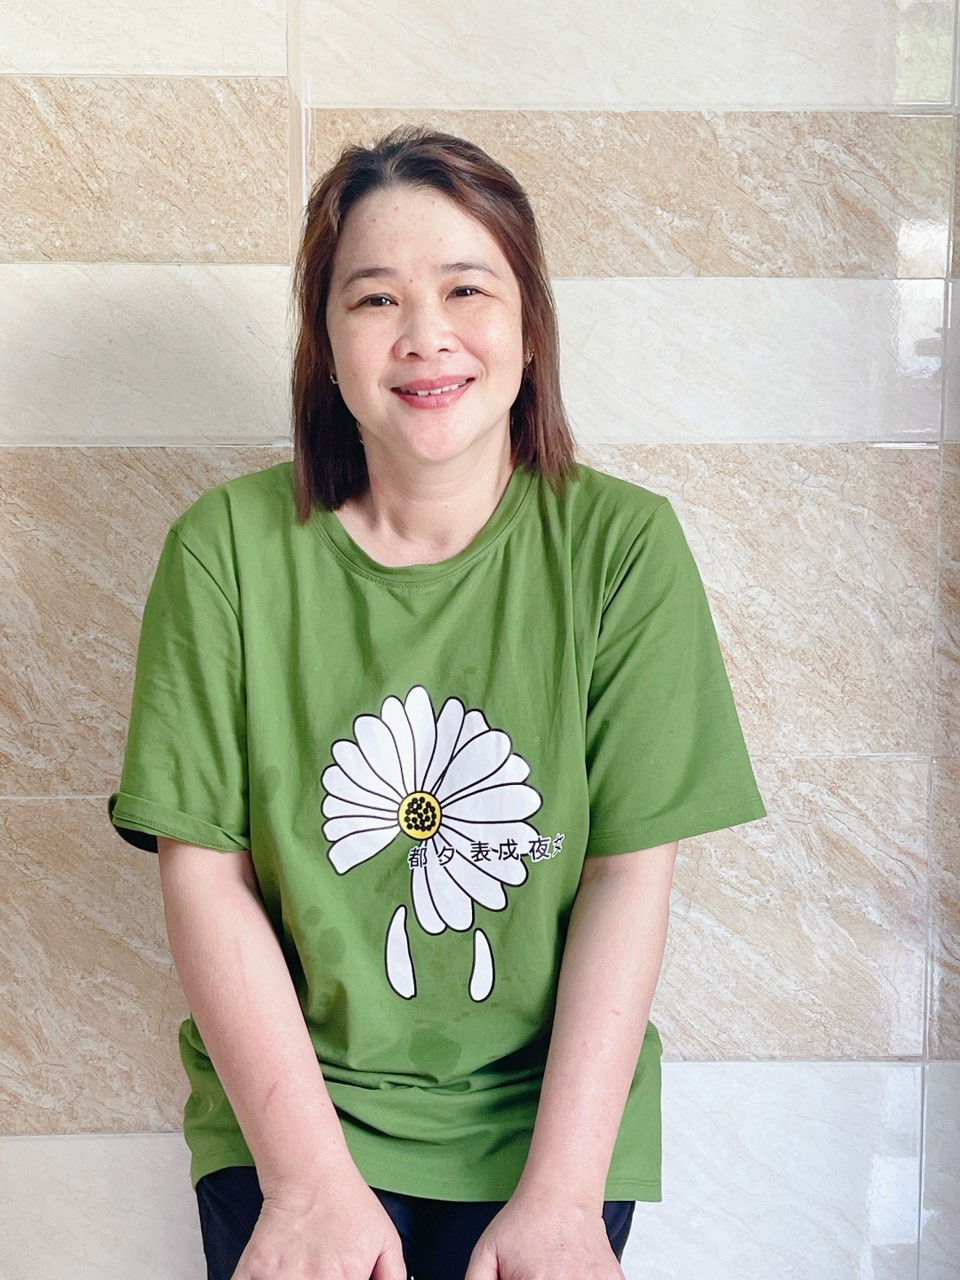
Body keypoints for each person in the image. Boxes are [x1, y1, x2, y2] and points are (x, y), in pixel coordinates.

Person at [109, 126, 766, 1280]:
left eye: (467, 288)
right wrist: (309, 1183)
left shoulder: (624, 548)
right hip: (295, 1122)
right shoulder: (226, 552)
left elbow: (626, 876)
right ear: (324, 342)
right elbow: (203, 875)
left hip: (549, 1130)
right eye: (375, 298)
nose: (425, 335)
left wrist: (563, 1195)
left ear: (529, 325)